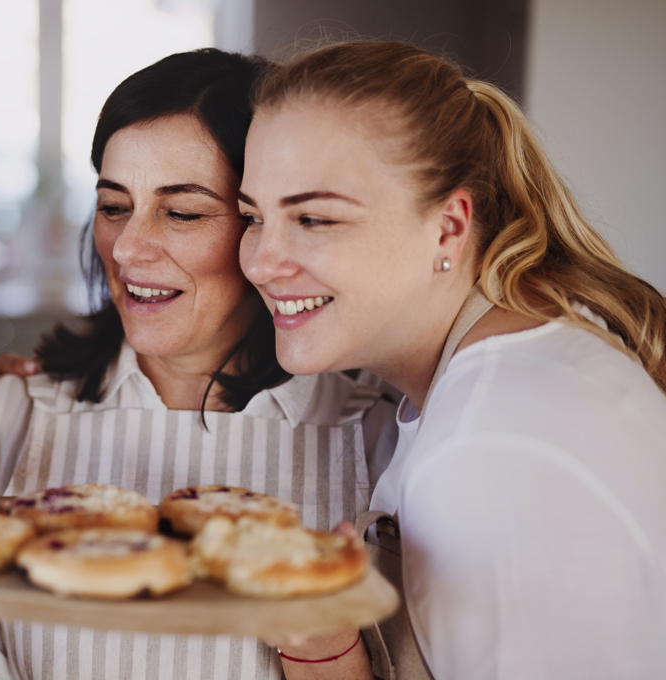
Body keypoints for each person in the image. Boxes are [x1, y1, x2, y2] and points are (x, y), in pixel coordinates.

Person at [0, 48, 397, 680]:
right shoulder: (13, 414)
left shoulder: (373, 436)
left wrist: (324, 647)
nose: (131, 248)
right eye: (115, 206)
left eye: (183, 211)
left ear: (260, 225)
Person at [237, 40, 666, 679]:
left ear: (448, 227)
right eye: (253, 216)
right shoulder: (499, 364)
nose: (262, 262)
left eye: (315, 219)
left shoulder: (490, 449)